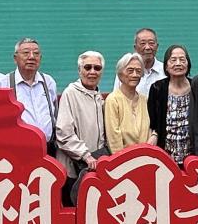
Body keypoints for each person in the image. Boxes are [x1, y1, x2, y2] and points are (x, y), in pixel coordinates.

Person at [56, 51, 107, 181]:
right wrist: (85, 155)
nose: (92, 72)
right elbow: (64, 133)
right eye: (87, 67)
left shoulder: (99, 97)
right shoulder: (70, 93)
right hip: (75, 167)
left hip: (94, 164)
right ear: (79, 71)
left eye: (97, 68)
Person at [9, 38, 58, 152]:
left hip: (49, 149)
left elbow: (55, 112)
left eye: (36, 53)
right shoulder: (4, 84)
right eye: (26, 53)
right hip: (19, 150)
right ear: (15, 58)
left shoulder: (48, 82)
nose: (31, 57)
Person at [148, 45, 193, 165]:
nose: (178, 63)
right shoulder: (157, 88)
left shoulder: (196, 86)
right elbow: (152, 119)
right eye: (173, 60)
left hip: (192, 153)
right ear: (166, 66)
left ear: (188, 64)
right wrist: (154, 134)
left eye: (182, 60)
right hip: (165, 152)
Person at [106, 53, 154, 152]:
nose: (135, 75)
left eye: (138, 71)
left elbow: (151, 128)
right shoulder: (113, 100)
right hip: (123, 158)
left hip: (146, 156)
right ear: (120, 74)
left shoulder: (145, 100)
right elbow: (114, 138)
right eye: (130, 70)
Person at [110, 28, 165, 94]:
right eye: (143, 43)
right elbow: (116, 95)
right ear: (135, 47)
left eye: (151, 43)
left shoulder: (165, 71)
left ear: (157, 46)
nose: (147, 47)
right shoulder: (124, 70)